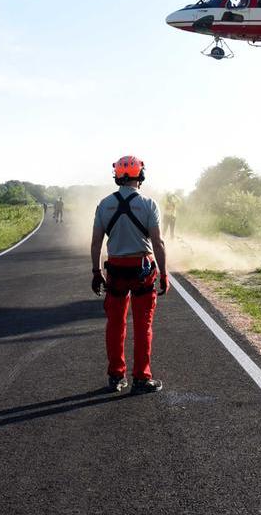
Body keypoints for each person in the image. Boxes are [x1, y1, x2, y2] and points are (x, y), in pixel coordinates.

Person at [90, 155, 169, 394]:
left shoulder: (104, 204)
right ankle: (142, 378)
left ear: (117, 176)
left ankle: (116, 377)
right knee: (143, 325)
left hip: (115, 269)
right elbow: (158, 242)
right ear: (140, 176)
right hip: (142, 270)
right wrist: (164, 274)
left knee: (115, 324)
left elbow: (96, 243)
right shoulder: (149, 204)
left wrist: (96, 271)